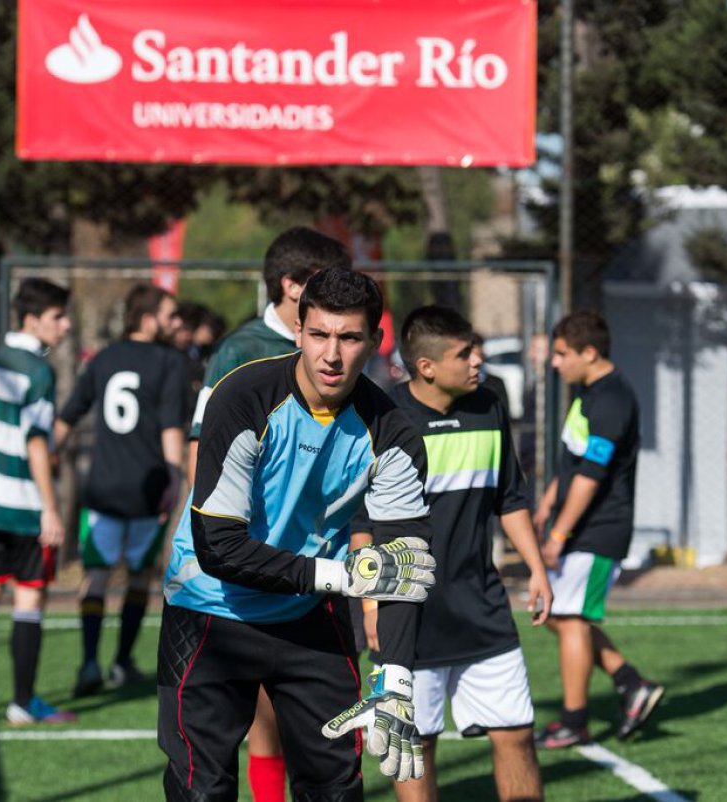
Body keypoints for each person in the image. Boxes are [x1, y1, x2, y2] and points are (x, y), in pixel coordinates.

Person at [159, 268, 436, 801]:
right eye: (319, 335)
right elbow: (219, 546)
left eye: (350, 337)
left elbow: (404, 564)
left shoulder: (393, 431)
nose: (332, 354)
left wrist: (397, 675)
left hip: (308, 613)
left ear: (375, 341)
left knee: (334, 790)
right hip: (210, 608)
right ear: (298, 332)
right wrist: (344, 575)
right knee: (202, 790)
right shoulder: (242, 397)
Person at [186, 226, 352, 802]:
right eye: (321, 286)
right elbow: (199, 448)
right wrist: (214, 534)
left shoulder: (334, 349)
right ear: (290, 286)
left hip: (313, 553)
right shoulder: (242, 350)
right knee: (252, 709)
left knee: (310, 717)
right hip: (250, 558)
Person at [359, 306, 552, 802]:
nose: (477, 360)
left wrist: (536, 569)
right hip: (407, 618)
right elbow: (360, 524)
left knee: (517, 735)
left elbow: (509, 497)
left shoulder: (488, 405)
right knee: (412, 746)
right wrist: (370, 605)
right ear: (426, 366)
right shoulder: (381, 418)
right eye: (464, 353)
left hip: (482, 608)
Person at [533, 311, 664, 749]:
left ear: (590, 353)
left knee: (570, 618)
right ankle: (630, 682)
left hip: (598, 529)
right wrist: (550, 499)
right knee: (559, 615)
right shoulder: (588, 392)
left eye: (561, 354)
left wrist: (557, 536)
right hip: (578, 526)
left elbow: (591, 475)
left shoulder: (612, 400)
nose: (555, 363)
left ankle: (574, 720)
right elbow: (574, 459)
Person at [0, 278, 77, 726]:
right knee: (29, 597)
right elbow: (37, 443)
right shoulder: (39, 371)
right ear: (32, 318)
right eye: (57, 317)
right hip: (23, 505)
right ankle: (23, 703)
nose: (65, 325)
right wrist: (50, 507)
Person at [54, 284, 188, 695]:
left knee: (94, 576)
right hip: (146, 486)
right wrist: (174, 478)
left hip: (103, 487)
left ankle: (90, 662)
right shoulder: (170, 361)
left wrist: (47, 457)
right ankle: (122, 661)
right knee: (138, 577)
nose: (175, 323)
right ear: (147, 319)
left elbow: (68, 416)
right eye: (169, 315)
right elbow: (170, 427)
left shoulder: (103, 358)